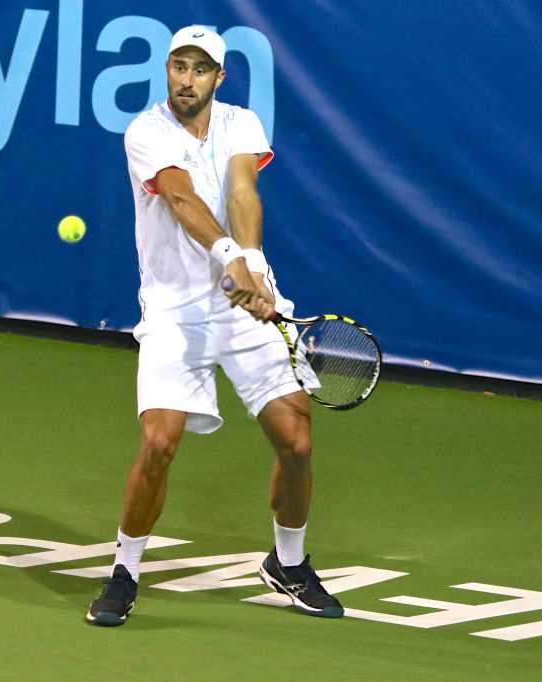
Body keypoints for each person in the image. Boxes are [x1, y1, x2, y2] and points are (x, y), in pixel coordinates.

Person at [86, 25, 343, 626]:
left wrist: (250, 268)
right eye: (179, 66)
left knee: (297, 442)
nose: (186, 78)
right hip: (175, 312)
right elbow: (179, 199)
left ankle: (288, 562)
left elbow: (243, 191)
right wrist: (229, 258)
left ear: (218, 78)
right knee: (158, 443)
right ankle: (125, 570)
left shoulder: (240, 123)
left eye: (200, 69)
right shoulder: (145, 131)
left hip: (246, 300)